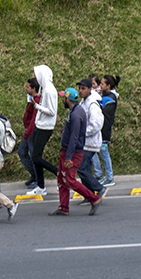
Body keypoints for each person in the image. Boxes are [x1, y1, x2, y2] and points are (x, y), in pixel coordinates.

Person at [49, 87, 102, 216]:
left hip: (72, 153)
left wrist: (68, 157)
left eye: (64, 98)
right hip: (67, 151)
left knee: (70, 180)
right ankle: (63, 207)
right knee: (61, 179)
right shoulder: (74, 111)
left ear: (68, 99)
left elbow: (74, 137)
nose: (62, 100)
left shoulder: (76, 114)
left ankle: (94, 199)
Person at [26, 64, 58, 196]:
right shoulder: (45, 89)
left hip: (45, 127)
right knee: (35, 158)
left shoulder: (50, 91)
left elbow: (51, 111)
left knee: (36, 157)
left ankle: (59, 173)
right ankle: (40, 186)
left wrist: (36, 106)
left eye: (36, 75)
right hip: (40, 125)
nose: (35, 78)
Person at [76, 79, 105, 202]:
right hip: (84, 143)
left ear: (90, 90)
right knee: (85, 168)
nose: (81, 91)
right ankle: (89, 195)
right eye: (80, 88)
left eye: (84, 88)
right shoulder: (84, 102)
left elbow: (96, 125)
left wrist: (82, 133)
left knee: (81, 168)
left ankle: (98, 188)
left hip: (90, 142)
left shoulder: (93, 104)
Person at [94, 75, 119, 187]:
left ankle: (109, 177)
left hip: (105, 129)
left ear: (108, 86)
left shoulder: (110, 98)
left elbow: (106, 117)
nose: (100, 86)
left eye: (102, 84)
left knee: (104, 152)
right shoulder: (105, 95)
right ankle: (102, 175)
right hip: (101, 128)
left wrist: (105, 133)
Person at [19, 78, 41, 190]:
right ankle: (33, 174)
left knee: (33, 155)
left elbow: (34, 118)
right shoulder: (31, 99)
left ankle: (38, 179)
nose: (26, 88)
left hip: (31, 130)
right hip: (27, 129)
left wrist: (28, 131)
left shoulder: (37, 100)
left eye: (28, 87)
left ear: (33, 88)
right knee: (22, 152)